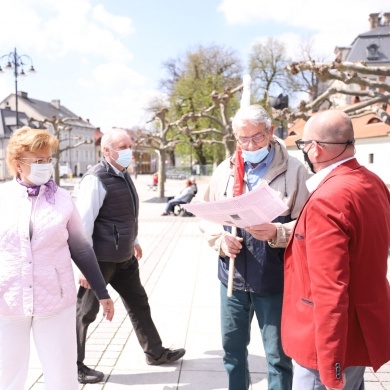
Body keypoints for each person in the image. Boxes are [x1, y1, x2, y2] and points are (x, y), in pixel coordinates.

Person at [200, 104, 310, 390]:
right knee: (233, 352)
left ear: (271, 132)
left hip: (275, 279)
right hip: (232, 279)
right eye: (243, 139)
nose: (250, 145)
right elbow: (206, 214)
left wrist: (278, 231)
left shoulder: (295, 170)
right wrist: (219, 240)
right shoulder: (225, 169)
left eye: (257, 138)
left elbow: (309, 224)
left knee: (278, 356)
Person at [282, 110, 390, 390]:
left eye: (303, 146)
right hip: (356, 332)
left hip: (325, 343)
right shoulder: (373, 182)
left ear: (315, 149)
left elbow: (330, 289)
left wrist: (331, 364)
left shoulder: (328, 198)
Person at [0, 127, 114, 390]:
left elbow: (82, 248)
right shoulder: (2, 198)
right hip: (8, 299)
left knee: (62, 375)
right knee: (7, 375)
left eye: (47, 160)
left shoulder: (62, 199)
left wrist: (101, 291)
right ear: (18, 164)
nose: (45, 166)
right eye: (38, 161)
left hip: (54, 299)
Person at [76, 128, 186, 384]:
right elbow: (83, 225)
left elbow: (126, 213)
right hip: (100, 260)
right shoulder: (95, 179)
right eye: (123, 146)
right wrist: (84, 266)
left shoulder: (123, 174)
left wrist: (134, 240)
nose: (129, 151)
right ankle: (74, 364)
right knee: (84, 312)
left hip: (124, 258)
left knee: (139, 303)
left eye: (130, 145)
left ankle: (155, 353)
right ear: (107, 150)